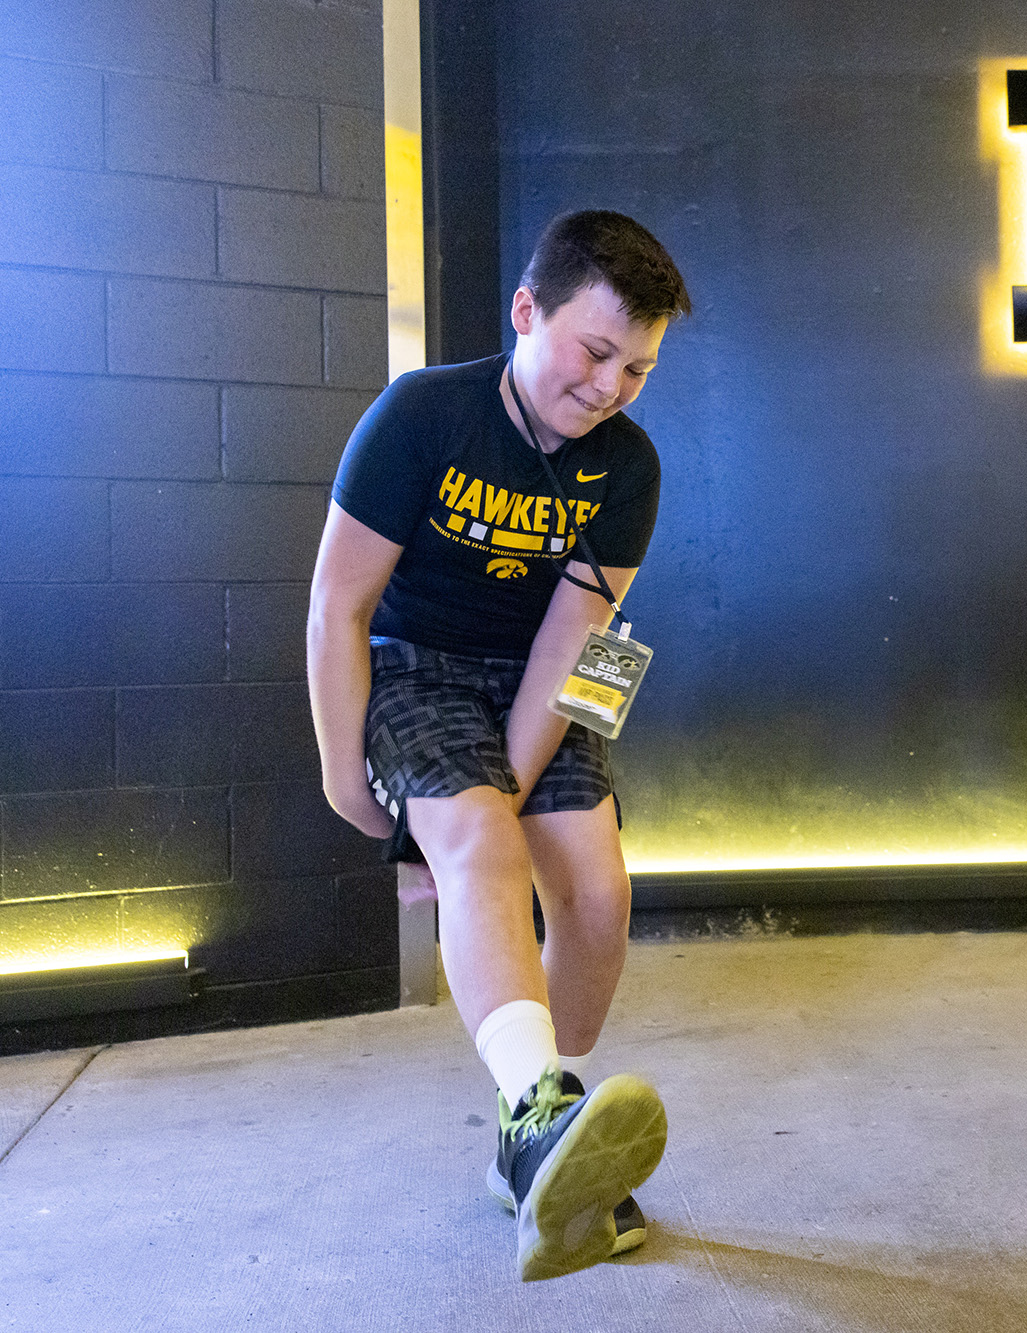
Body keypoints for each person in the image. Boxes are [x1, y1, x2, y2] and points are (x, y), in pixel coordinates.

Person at [307, 210, 691, 1279]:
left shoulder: (629, 469)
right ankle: (540, 1112)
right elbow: (339, 606)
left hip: (535, 684)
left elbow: (577, 652)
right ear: (527, 312)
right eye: (595, 350)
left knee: (599, 897)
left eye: (639, 367)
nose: (612, 384)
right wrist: (352, 787)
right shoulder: (421, 417)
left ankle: (542, 1139)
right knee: (483, 850)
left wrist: (509, 787)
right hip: (415, 666)